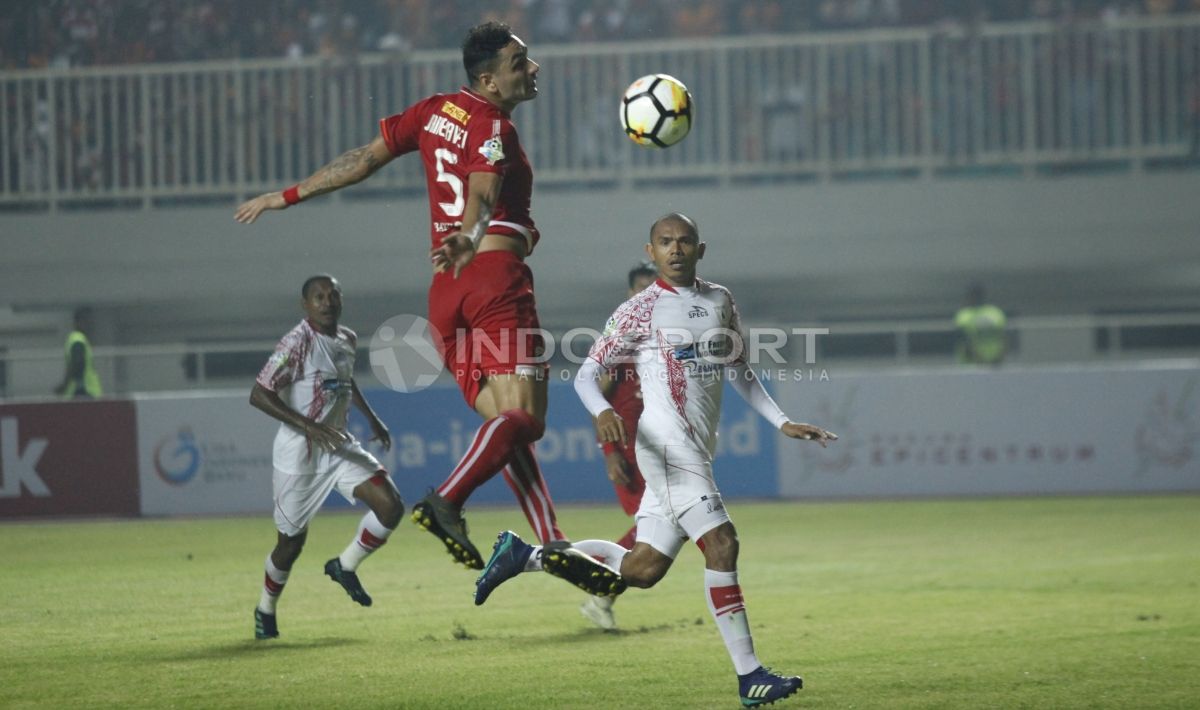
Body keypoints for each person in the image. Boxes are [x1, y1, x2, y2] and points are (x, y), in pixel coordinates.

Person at [235, 21, 621, 598]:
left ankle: (549, 536)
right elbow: (484, 190)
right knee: (529, 419)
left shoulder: (433, 111)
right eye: (521, 62)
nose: (533, 68)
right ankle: (446, 500)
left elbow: (360, 159)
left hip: (446, 295)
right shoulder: (495, 126)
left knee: (504, 426)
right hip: (493, 278)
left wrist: (285, 196)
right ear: (488, 80)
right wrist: (470, 231)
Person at [474, 212, 837, 707]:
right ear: (651, 252)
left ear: (700, 249)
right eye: (665, 242)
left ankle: (526, 556)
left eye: (684, 241)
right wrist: (602, 411)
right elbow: (585, 375)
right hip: (666, 447)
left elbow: (741, 370)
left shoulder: (720, 300)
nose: (675, 249)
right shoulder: (640, 310)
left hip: (691, 448)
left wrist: (782, 421)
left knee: (641, 569)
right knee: (723, 544)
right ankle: (750, 675)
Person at [249, 274, 403, 640]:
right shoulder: (297, 342)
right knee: (290, 544)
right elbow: (258, 393)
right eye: (318, 296)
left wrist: (371, 417)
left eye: (333, 294)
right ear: (306, 305)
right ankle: (265, 609)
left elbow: (345, 381)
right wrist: (309, 427)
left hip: (336, 446)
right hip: (299, 457)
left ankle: (344, 566)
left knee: (391, 506)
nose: (327, 301)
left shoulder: (346, 338)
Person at [579, 260, 656, 630]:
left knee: (665, 524)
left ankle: (598, 584)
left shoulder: (666, 335)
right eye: (640, 289)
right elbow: (599, 397)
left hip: (660, 448)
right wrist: (609, 452)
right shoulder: (620, 339)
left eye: (652, 288)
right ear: (630, 294)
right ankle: (591, 572)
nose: (646, 295)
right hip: (628, 449)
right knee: (661, 523)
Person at [55, 307, 102, 399]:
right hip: (83, 392)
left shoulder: (80, 339)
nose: (90, 324)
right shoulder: (78, 340)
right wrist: (65, 385)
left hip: (84, 391)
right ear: (77, 322)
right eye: (86, 321)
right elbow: (77, 363)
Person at [954, 283, 1007, 365]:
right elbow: (963, 341)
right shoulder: (963, 315)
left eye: (976, 294)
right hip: (971, 365)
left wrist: (999, 357)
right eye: (971, 295)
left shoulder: (995, 313)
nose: (973, 297)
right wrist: (979, 360)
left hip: (995, 364)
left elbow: (1003, 337)